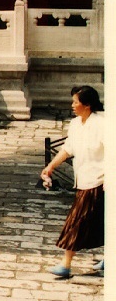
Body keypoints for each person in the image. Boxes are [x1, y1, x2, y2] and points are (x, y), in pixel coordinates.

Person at [41, 85, 104, 278]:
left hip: (101, 180)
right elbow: (68, 149)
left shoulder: (103, 124)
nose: (72, 105)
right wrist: (51, 166)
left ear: (87, 105)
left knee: (76, 221)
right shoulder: (76, 124)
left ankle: (66, 265)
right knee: (101, 223)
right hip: (84, 179)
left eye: (75, 102)